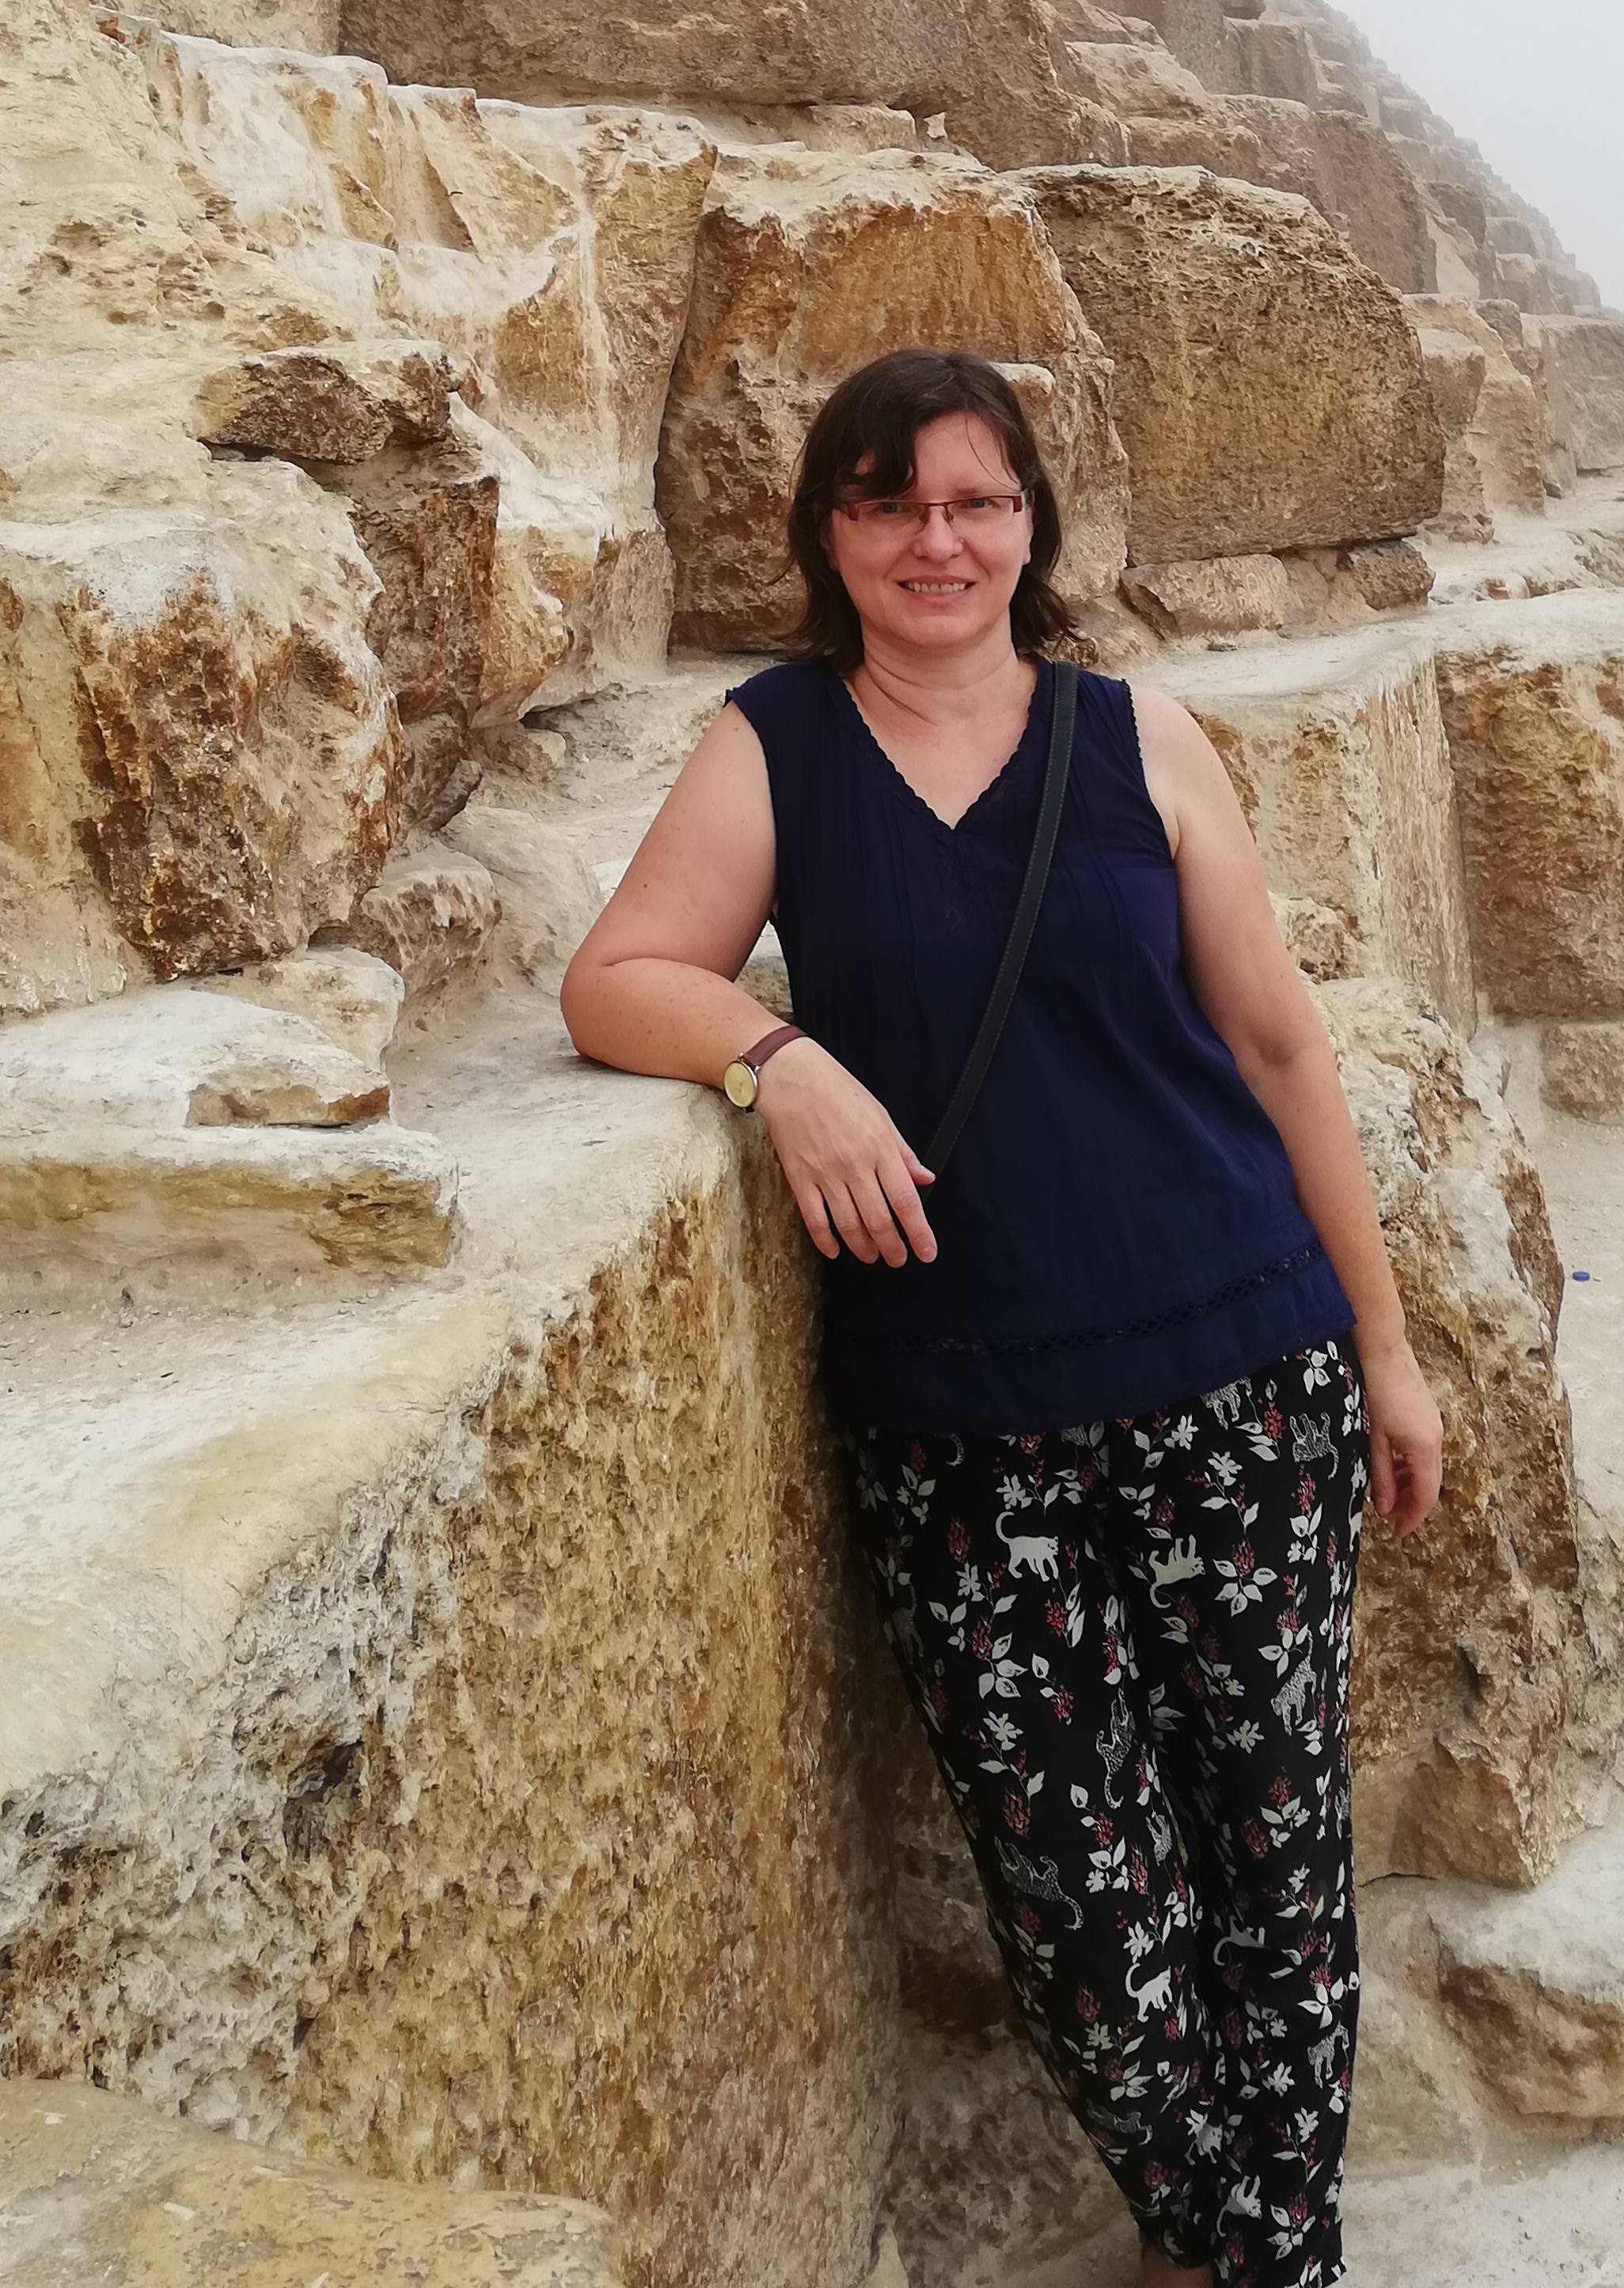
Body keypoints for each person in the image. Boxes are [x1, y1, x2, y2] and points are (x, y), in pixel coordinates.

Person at [561, 347, 1444, 2288]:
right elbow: (616, 977)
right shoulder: (776, 746)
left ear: (1032, 526)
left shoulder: (1143, 741)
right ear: (829, 534)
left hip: (1238, 1374)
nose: (936, 541)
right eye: (889, 504)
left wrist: (1385, 1348)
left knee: (1277, 1859)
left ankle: (1257, 2258)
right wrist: (777, 1061)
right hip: (963, 1435)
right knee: (1077, 1905)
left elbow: (1279, 1048)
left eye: (976, 501)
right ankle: (1223, 2229)